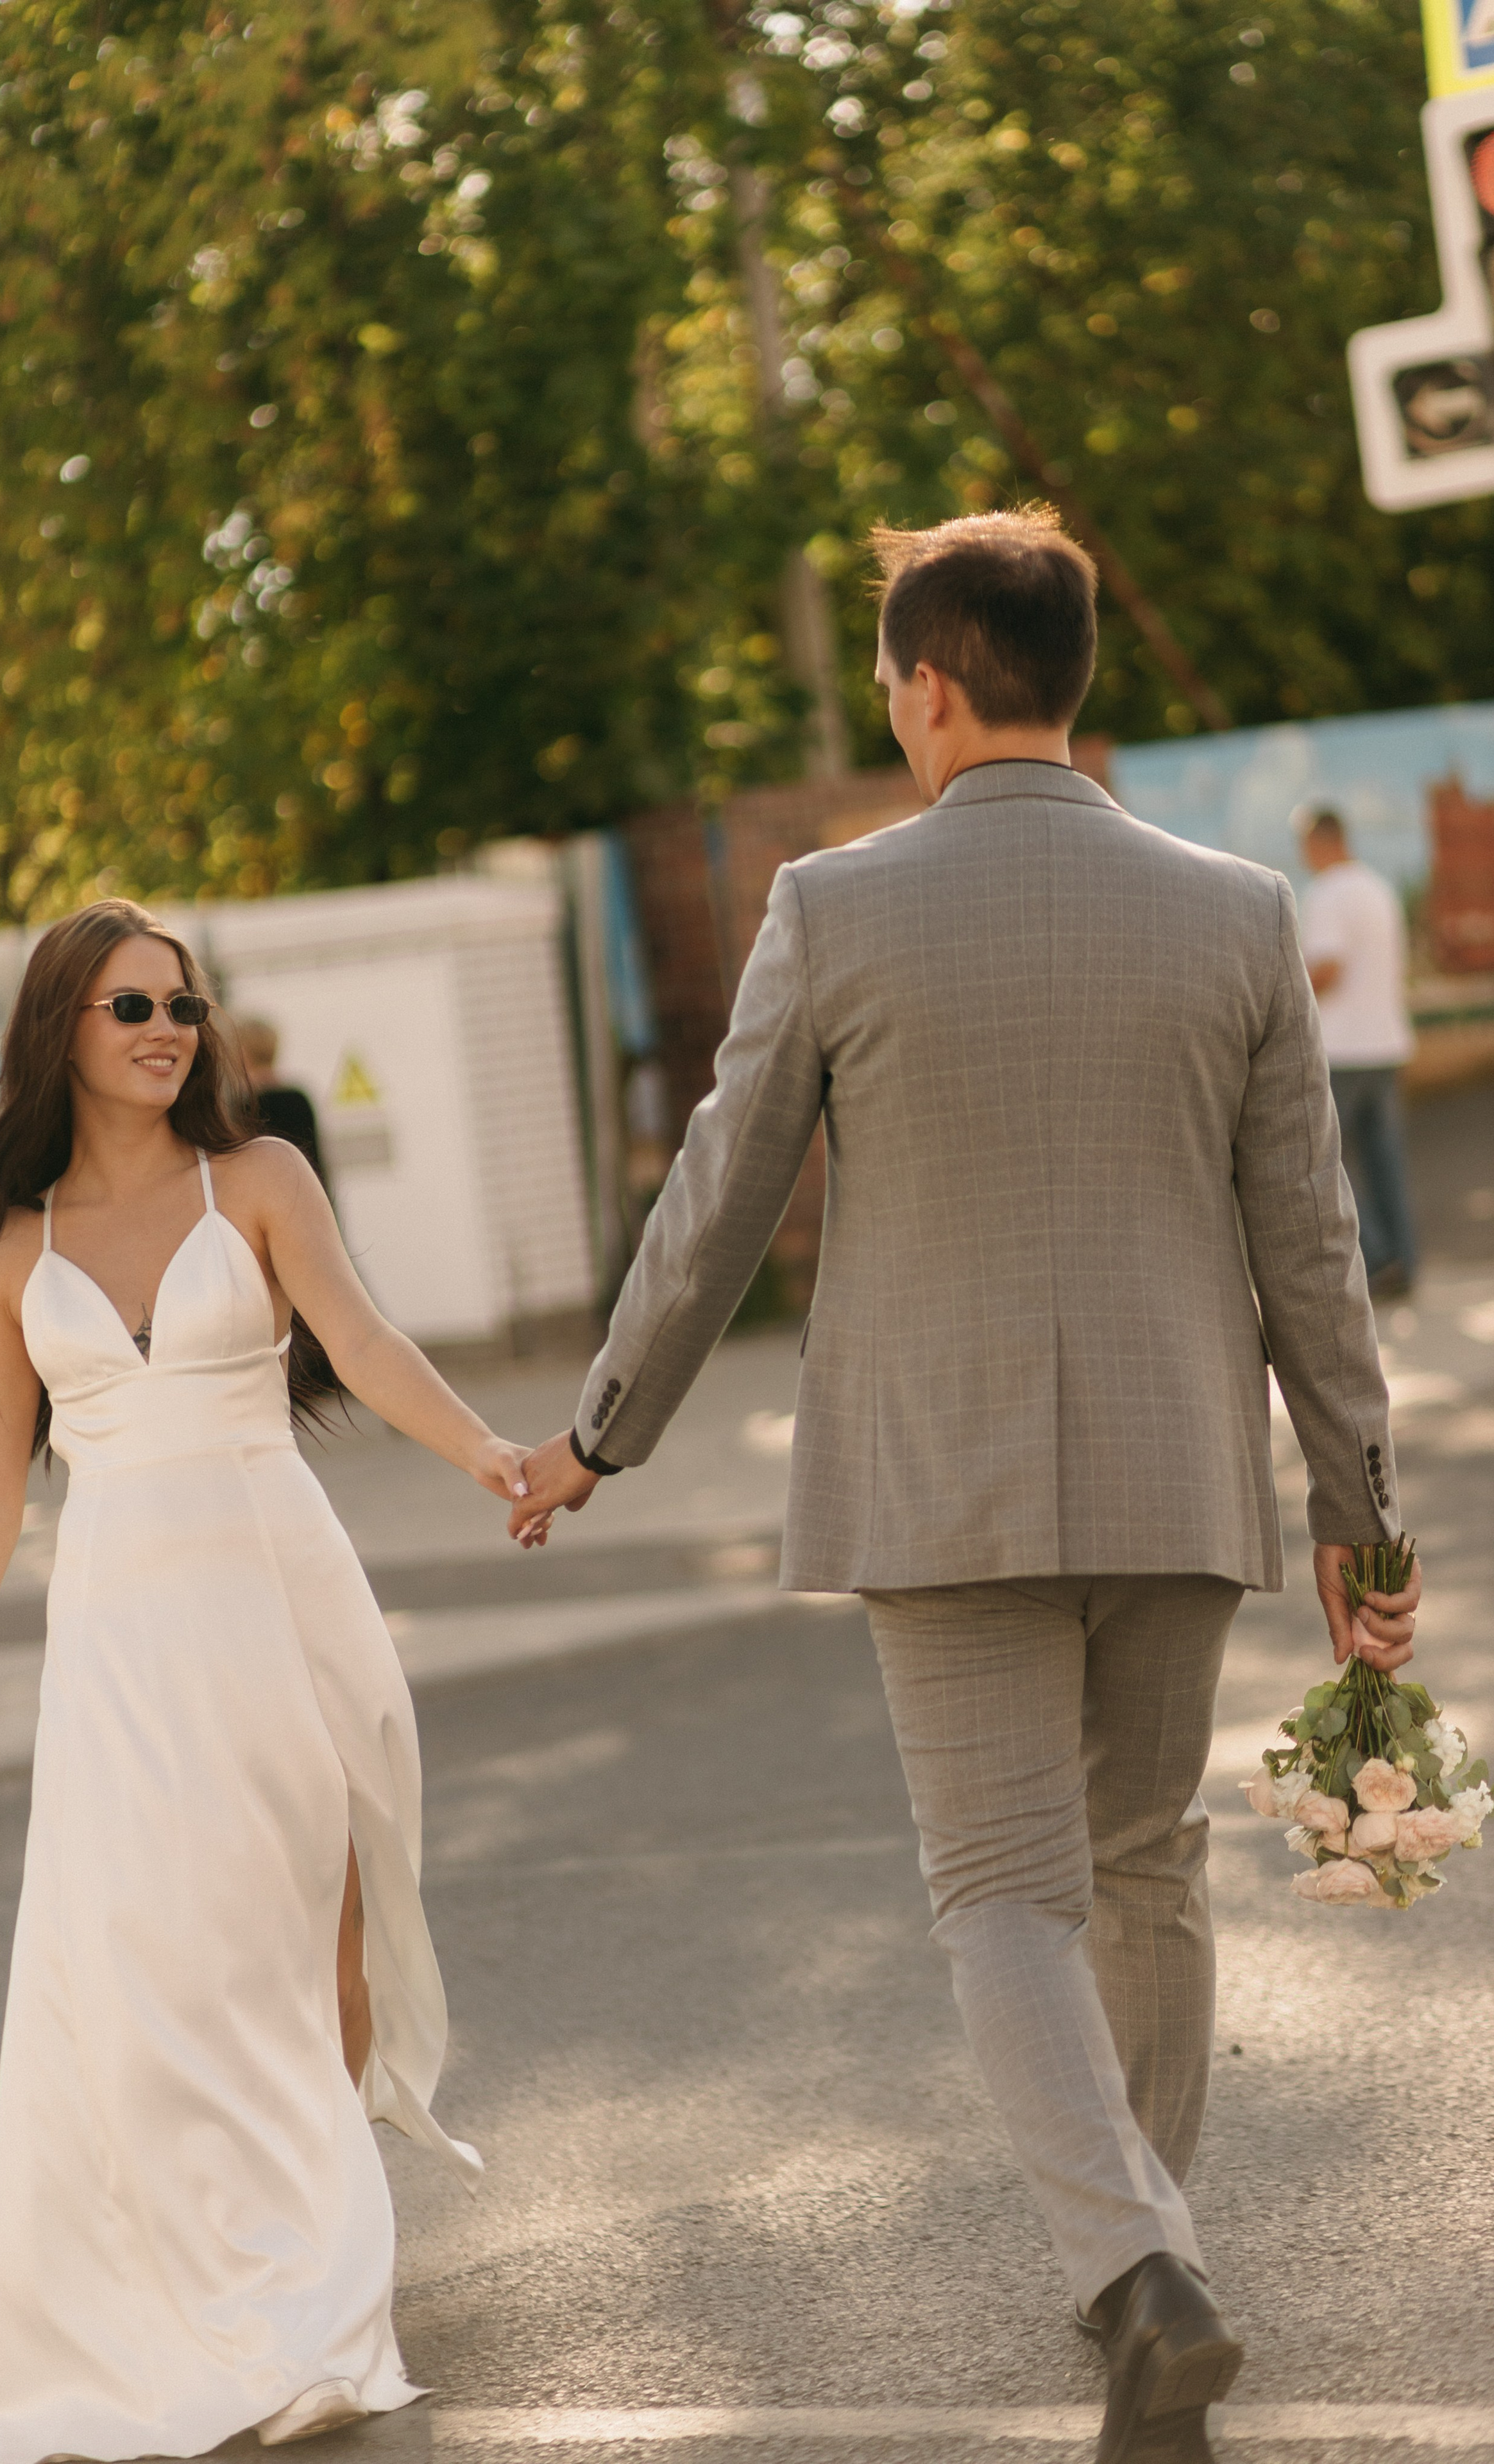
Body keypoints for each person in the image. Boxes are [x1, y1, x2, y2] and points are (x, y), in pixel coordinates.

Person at [509, 509, 1422, 2464]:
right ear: (1070, 677)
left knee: (1000, 1888)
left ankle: (1139, 2272)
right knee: (1144, 1855)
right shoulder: (1239, 910)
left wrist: (598, 1431)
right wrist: (1362, 1501)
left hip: (939, 1484)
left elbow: (721, 1197)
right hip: (1179, 1471)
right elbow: (1311, 1236)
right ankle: (1145, 2258)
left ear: (928, 688)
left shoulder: (831, 907)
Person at [0, 901, 532, 2464]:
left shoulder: (262, 1179)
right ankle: (204, 2266)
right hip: (121, 1635)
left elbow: (359, 1340)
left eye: (181, 1005)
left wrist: (490, 1452)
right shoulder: (12, 1254)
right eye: (131, 1006)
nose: (167, 1028)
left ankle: (316, 2235)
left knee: (311, 1933)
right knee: (153, 1953)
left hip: (279, 1597)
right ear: (63, 1029)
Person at [1296, 805, 1418, 1299]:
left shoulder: (1327, 891)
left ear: (1319, 841)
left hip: (1343, 1048)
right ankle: (1405, 1261)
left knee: (1325, 1160)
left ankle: (1380, 1254)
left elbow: (1328, 968)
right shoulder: (1378, 888)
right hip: (1387, 1043)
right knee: (1386, 1162)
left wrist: (1282, 989)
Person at [237, 1013, 328, 1188]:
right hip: (310, 1192)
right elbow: (317, 1162)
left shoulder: (246, 1106)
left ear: (242, 1051)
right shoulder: (299, 1098)